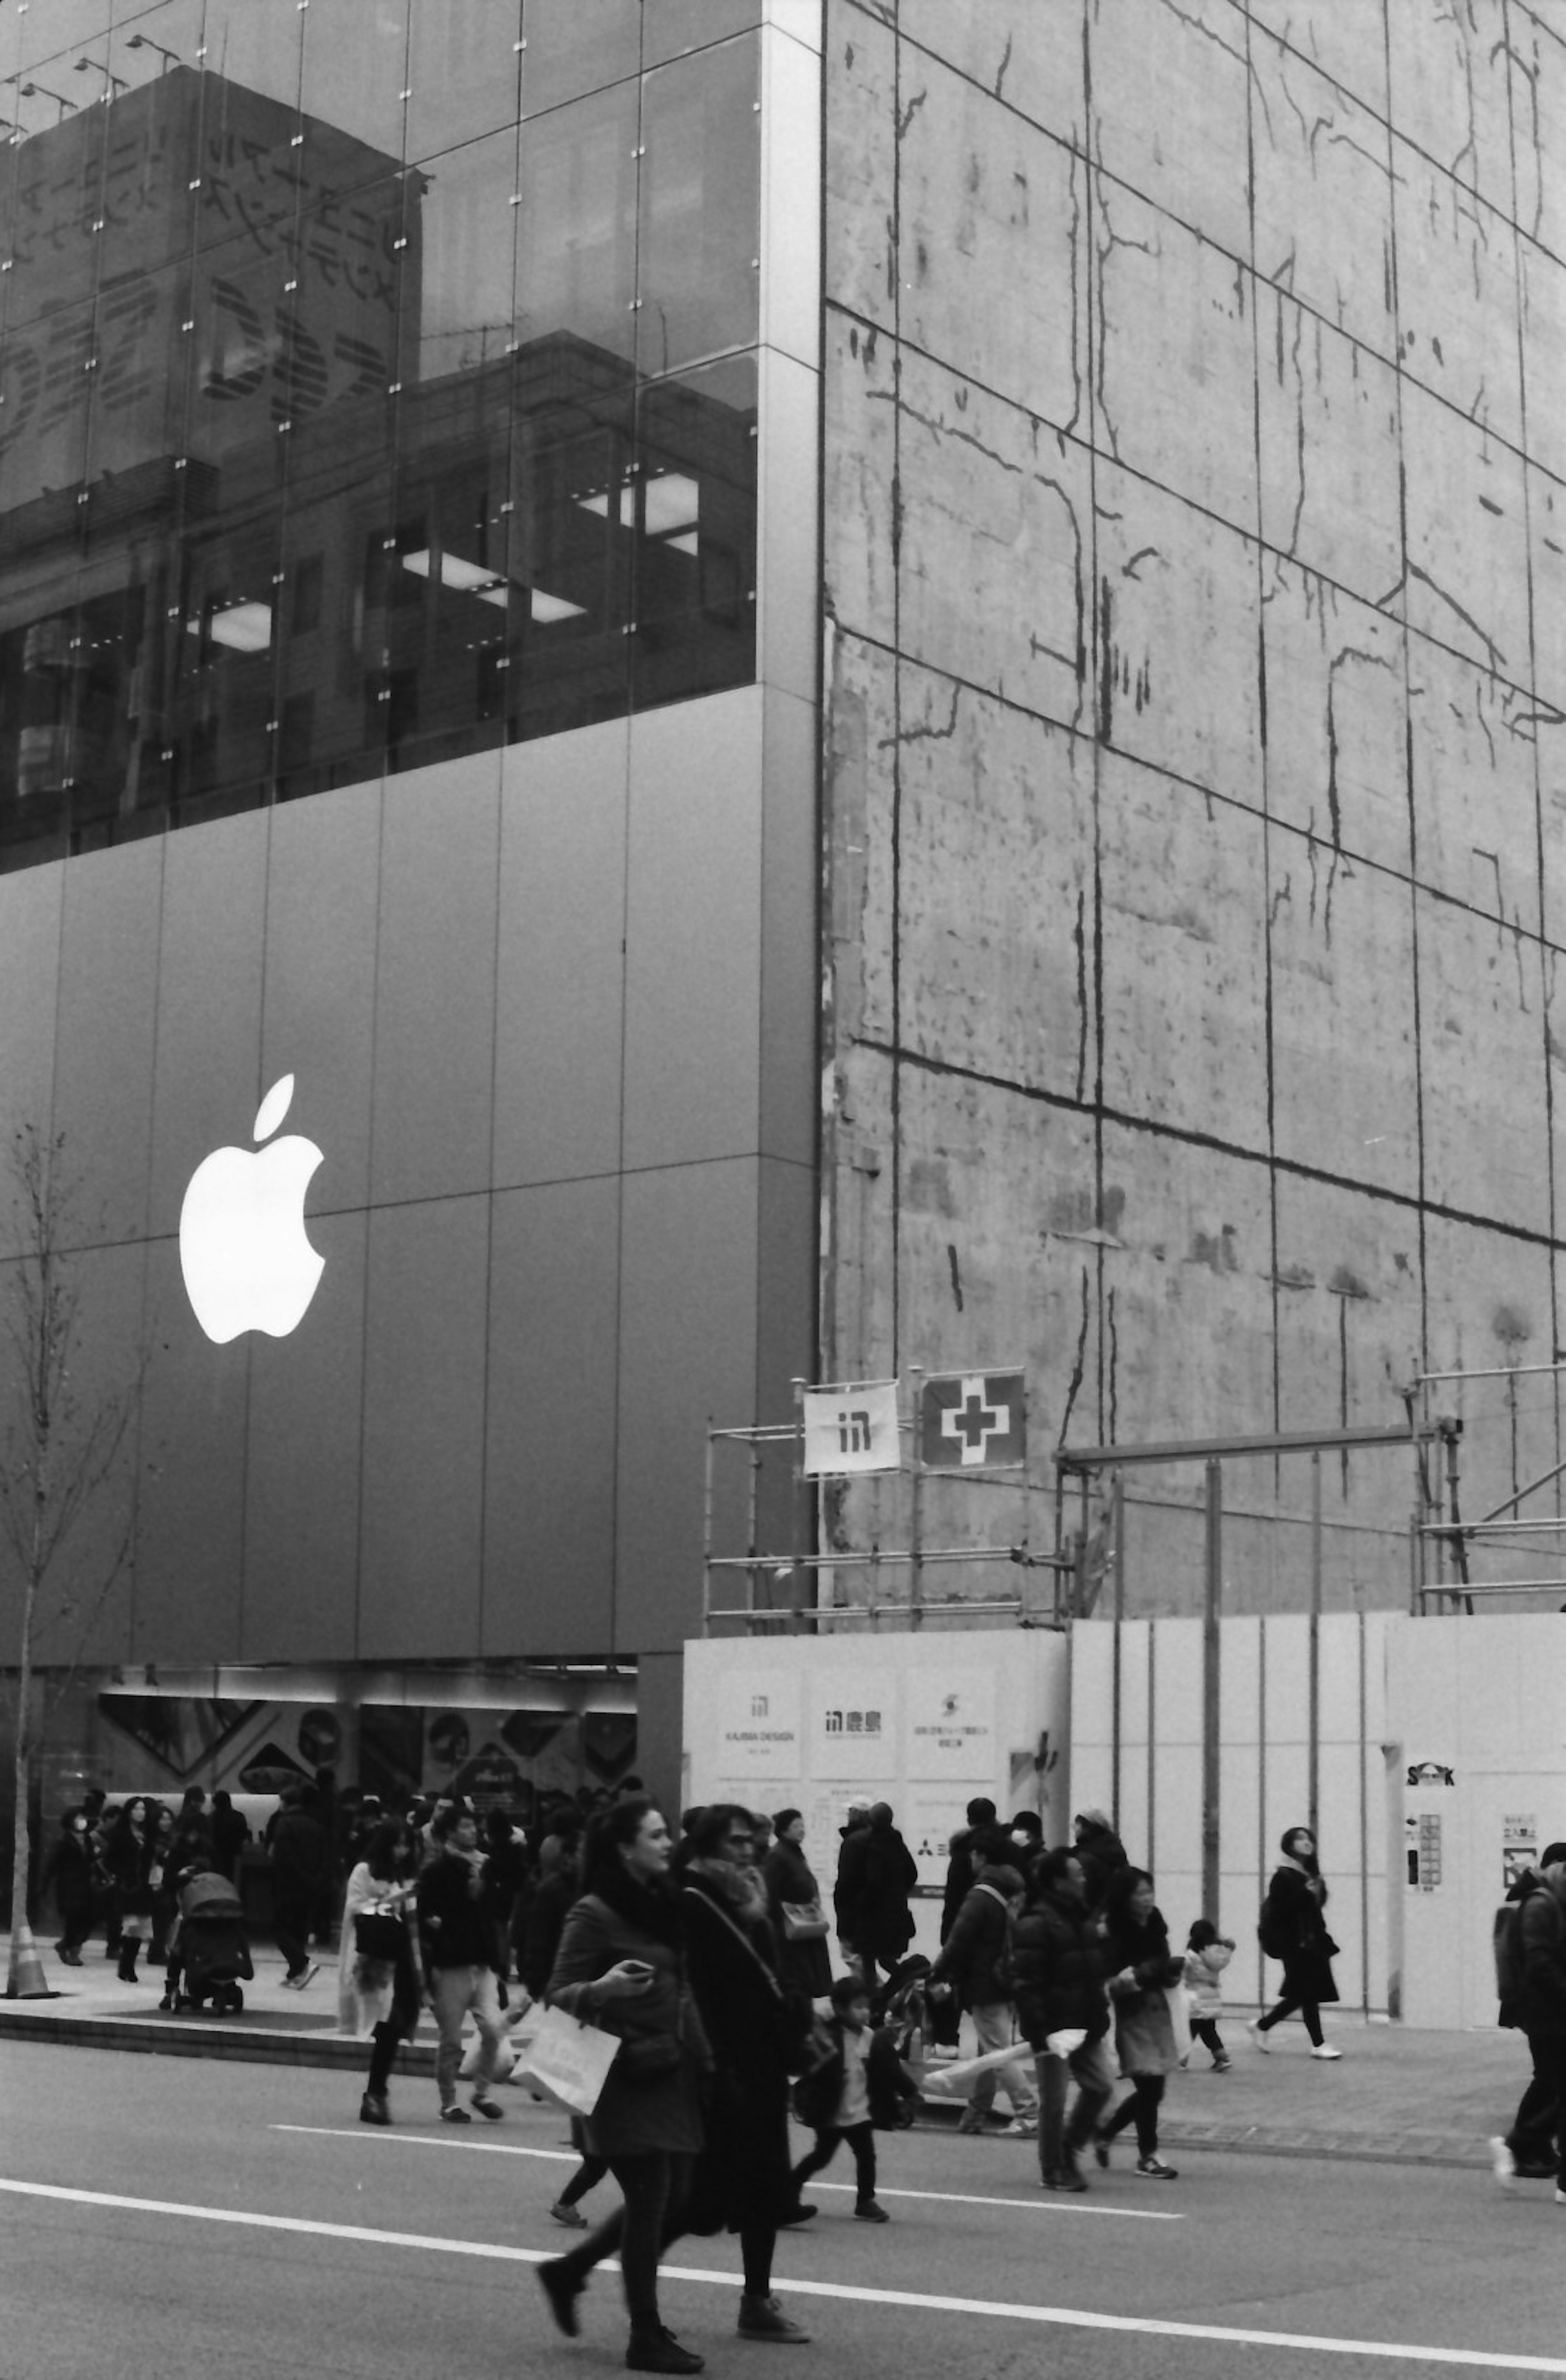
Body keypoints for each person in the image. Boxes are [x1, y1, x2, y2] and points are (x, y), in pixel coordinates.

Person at [538, 1796, 711, 2376]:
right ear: (624, 1847)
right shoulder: (594, 1912)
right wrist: (605, 1989)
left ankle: (570, 2271)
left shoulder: (661, 1900)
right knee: (651, 2199)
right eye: (657, 1835)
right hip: (621, 2074)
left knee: (677, 2199)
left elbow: (682, 1988)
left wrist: (707, 2061)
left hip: (670, 2068)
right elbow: (558, 1993)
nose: (668, 1843)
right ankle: (645, 2334)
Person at [679, 1802, 811, 2344]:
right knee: (691, 2203)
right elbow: (696, 1989)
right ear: (709, 1847)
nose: (749, 1849)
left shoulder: (751, 1895)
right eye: (736, 1841)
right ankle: (586, 2267)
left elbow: (770, 1971)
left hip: (761, 2062)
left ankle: (756, 2299)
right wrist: (711, 2064)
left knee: (760, 2190)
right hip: (721, 2063)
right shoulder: (693, 1900)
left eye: (751, 1840)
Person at [1011, 1846, 1115, 2192]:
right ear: (1058, 1882)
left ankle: (1070, 2148)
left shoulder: (1082, 1916)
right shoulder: (1035, 1922)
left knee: (1101, 2086)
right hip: (1053, 2027)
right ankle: (1053, 2168)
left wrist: (1099, 2013)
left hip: (1086, 2022)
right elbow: (1026, 1982)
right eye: (1078, 1875)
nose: (1084, 1880)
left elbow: (1092, 1971)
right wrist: (1040, 2030)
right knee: (1054, 2103)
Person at [929, 1829, 1037, 2137]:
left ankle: (1028, 2112)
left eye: (973, 1855)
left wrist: (937, 1973)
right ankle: (976, 2114)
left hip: (984, 1979)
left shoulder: (981, 1895)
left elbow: (958, 1940)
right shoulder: (1013, 1889)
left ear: (982, 1857)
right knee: (989, 2051)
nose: (970, 1860)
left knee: (999, 2051)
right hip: (1006, 1976)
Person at [789, 1972, 909, 2221]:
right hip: (832, 2111)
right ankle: (790, 2189)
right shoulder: (827, 2035)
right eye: (858, 2008)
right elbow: (811, 2068)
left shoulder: (869, 2037)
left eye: (867, 2007)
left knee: (867, 2156)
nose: (865, 2013)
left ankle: (866, 2200)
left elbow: (887, 2069)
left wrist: (908, 2093)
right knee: (821, 2157)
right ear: (840, 2009)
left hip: (860, 2112)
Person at [417, 1798, 508, 2123]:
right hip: (451, 1963)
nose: (473, 1832)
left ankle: (482, 2092)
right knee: (452, 2039)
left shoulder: (488, 1865)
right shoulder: (437, 1870)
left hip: (482, 1962)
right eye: (465, 1827)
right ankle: (449, 2101)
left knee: (493, 2030)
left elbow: (497, 1913)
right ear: (450, 1833)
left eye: (474, 1827)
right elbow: (427, 1918)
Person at [1095, 1866, 1185, 2180]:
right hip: (1131, 2012)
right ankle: (1148, 2156)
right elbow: (1110, 1976)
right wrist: (1143, 1973)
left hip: (1157, 2007)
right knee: (1150, 2083)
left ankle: (1107, 2133)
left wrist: (1165, 1971)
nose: (1148, 1900)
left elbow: (1163, 1959)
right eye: (1140, 1894)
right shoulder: (1113, 1929)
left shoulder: (1155, 1921)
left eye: (1150, 1893)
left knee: (1153, 2088)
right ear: (1125, 1898)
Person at [1491, 1840, 1566, 2190]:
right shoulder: (1540, 1904)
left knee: (1551, 2082)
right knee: (1549, 2081)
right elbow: (1540, 1964)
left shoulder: (1549, 1900)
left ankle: (1523, 2145)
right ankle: (1521, 2146)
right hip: (1545, 2012)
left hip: (1548, 2010)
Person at [341, 1817, 422, 2126]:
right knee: (387, 2023)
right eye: (397, 1844)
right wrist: (389, 1903)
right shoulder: (365, 1871)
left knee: (396, 2023)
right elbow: (355, 1910)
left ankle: (377, 2092)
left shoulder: (409, 1873)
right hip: (374, 1957)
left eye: (407, 1845)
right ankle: (375, 2094)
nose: (402, 1851)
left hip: (404, 1957)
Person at [1250, 1826, 1342, 2059]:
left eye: (1309, 1838)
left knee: (1306, 1993)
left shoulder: (1308, 1874)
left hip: (1311, 1941)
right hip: (1295, 1943)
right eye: (1300, 1839)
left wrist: (1316, 1893)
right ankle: (1312, 2042)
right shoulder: (1283, 1876)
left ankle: (1265, 2027)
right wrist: (1307, 1894)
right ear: (1289, 1845)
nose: (1307, 1842)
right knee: (1304, 1993)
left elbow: (1314, 1908)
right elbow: (1284, 1910)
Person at [834, 1800, 918, 1993]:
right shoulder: (895, 1841)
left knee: (867, 1960)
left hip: (866, 1916)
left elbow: (851, 1883)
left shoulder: (857, 1842)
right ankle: (906, 1985)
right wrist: (896, 1896)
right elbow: (911, 1874)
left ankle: (877, 2002)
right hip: (893, 1914)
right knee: (886, 1958)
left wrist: (858, 1903)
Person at [763, 1809, 832, 2004]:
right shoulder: (778, 1856)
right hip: (791, 1930)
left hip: (805, 1926)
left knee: (809, 1978)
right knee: (800, 1978)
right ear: (784, 1831)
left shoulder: (794, 1853)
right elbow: (771, 1893)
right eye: (796, 1826)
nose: (802, 1830)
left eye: (803, 1826)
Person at [269, 1782, 329, 1989]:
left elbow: (284, 1857)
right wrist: (316, 1879)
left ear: (285, 1803)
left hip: (289, 1885)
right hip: (311, 1886)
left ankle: (302, 1964)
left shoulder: (284, 1824)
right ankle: (296, 1972)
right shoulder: (316, 1825)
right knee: (300, 1929)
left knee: (281, 1930)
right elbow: (324, 1857)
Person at [102, 1797, 155, 1982]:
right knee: (130, 1926)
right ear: (129, 1812)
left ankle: (128, 1966)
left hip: (145, 1886)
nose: (141, 1813)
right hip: (128, 1886)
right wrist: (122, 1875)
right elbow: (110, 1860)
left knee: (140, 1929)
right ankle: (126, 1965)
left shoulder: (147, 1834)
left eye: (143, 1809)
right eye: (136, 1809)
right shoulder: (120, 1834)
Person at [940, 1798, 998, 1942]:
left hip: (966, 1925)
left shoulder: (963, 1849)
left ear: (969, 1820)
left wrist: (947, 1934)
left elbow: (954, 1897)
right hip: (999, 1927)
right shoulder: (1008, 1847)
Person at [1184, 1919, 1235, 2070]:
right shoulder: (1216, 1955)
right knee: (1208, 2030)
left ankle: (1181, 2058)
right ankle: (1221, 2057)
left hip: (1195, 1999)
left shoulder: (1192, 1955)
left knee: (1190, 2030)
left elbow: (1183, 1971)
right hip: (1212, 1999)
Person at [49, 1808, 96, 1966]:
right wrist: (45, 1884)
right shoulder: (63, 1841)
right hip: (70, 1885)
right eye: (78, 1819)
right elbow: (53, 1864)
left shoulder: (87, 1839)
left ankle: (67, 1945)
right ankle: (72, 1951)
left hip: (87, 1884)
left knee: (89, 1919)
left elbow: (92, 1860)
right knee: (74, 1919)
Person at [1071, 1808, 1128, 1916]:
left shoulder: (1085, 1857)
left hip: (1091, 1916)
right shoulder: (1117, 1851)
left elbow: (1083, 1893)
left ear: (1087, 1828)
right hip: (1117, 1915)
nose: (1074, 1830)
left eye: (1076, 1826)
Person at [209, 1790, 251, 1884]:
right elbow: (244, 1835)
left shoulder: (211, 1818)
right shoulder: (238, 1817)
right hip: (235, 1855)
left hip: (216, 1857)